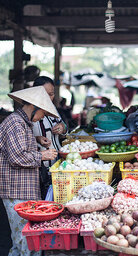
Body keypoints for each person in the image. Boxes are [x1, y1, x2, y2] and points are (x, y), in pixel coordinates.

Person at [0, 86, 59, 256]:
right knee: (23, 239)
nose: (42, 117)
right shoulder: (15, 123)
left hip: (23, 189)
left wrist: (35, 139)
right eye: (43, 113)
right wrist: (43, 155)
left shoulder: (23, 124)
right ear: (35, 108)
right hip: (16, 189)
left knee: (28, 238)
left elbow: (18, 145)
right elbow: (17, 157)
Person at [32, 76, 67, 198]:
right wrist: (37, 138)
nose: (48, 98)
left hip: (56, 162)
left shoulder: (53, 111)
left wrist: (62, 127)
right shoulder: (30, 112)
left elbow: (65, 129)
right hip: (39, 167)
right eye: (45, 94)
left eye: (51, 94)